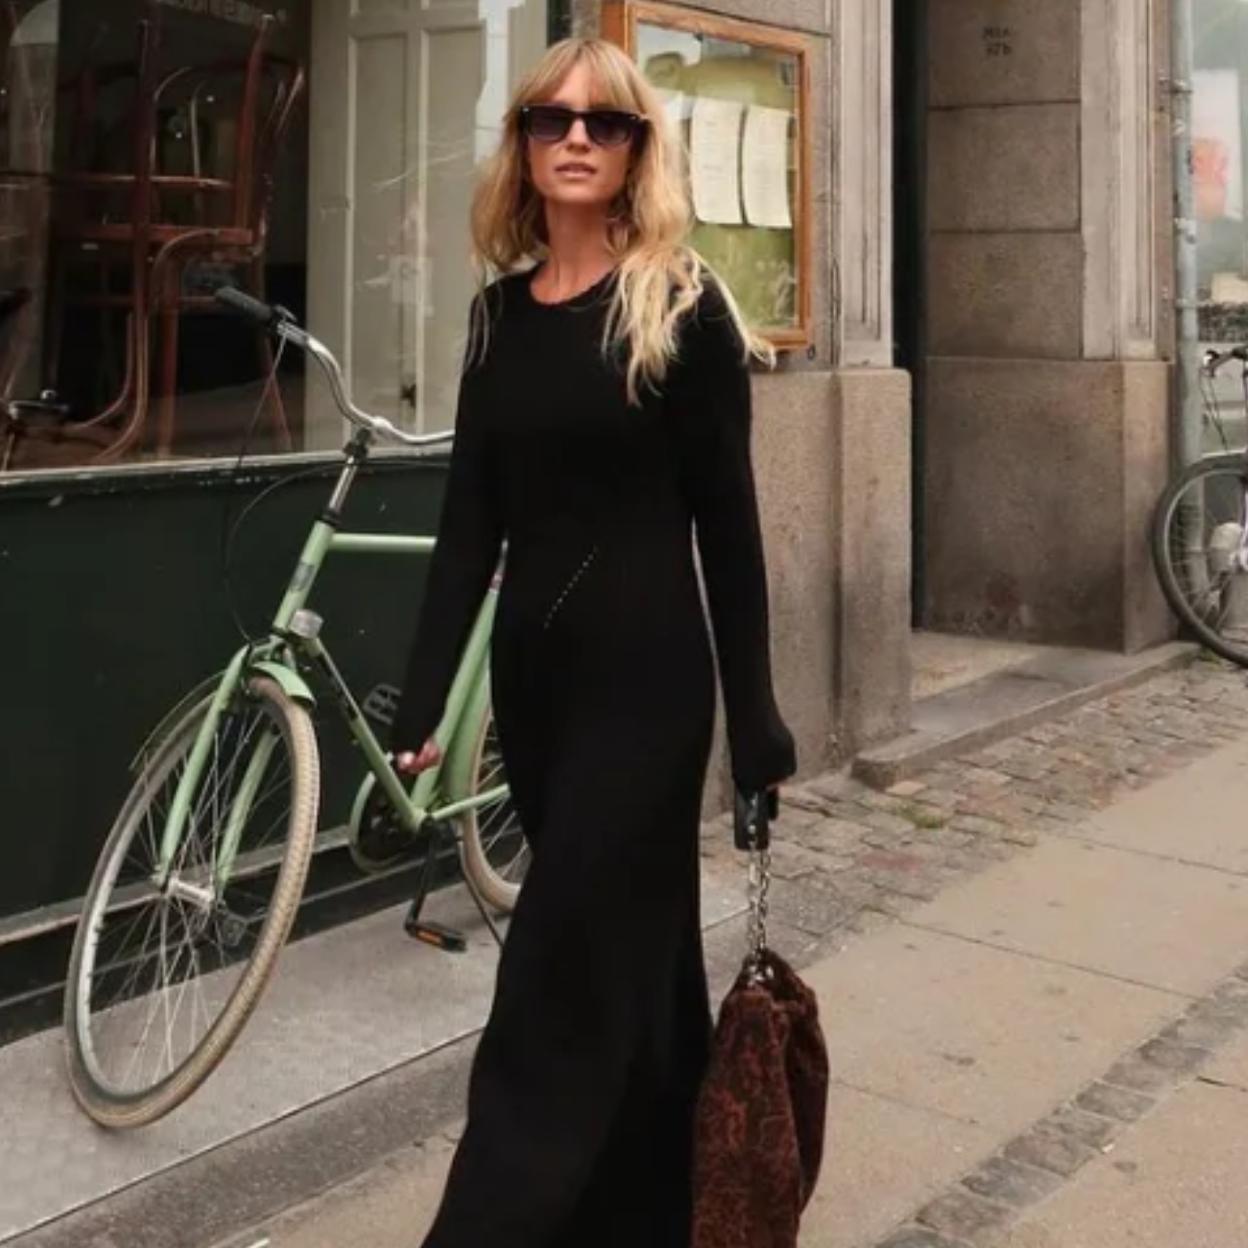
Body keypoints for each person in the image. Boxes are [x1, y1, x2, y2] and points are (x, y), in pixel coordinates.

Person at [390, 35, 796, 1248]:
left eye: (603, 123)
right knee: (641, 957)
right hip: (538, 688)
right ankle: (652, 1208)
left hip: (648, 689)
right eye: (551, 119)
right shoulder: (496, 320)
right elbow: (468, 524)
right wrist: (423, 695)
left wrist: (757, 720)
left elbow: (729, 528)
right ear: (521, 143)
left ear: (634, 151)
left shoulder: (680, 307)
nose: (575, 139)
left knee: (554, 974)